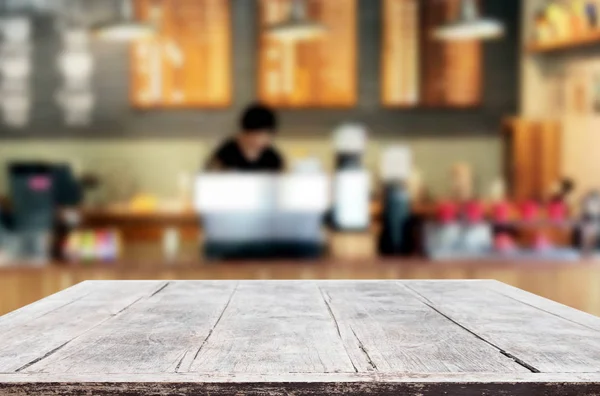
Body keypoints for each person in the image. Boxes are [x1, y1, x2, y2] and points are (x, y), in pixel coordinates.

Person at [206, 103, 284, 172]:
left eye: (268, 135)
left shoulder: (272, 158)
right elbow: (210, 178)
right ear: (246, 132)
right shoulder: (225, 153)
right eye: (259, 135)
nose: (264, 140)